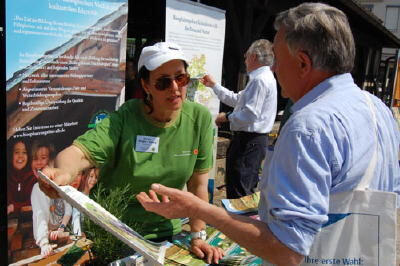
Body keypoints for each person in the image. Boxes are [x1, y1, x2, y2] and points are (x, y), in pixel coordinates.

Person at [136, 3, 400, 265]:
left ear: (302, 63)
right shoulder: (377, 108)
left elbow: (286, 251)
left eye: (277, 59)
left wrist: (196, 208)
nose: (273, 69)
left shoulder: (308, 127)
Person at [39, 42, 224, 263]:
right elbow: (79, 153)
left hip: (166, 231)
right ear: (146, 86)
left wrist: (198, 236)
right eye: (163, 82)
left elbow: (198, 186)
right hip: (115, 231)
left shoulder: (199, 119)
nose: (175, 88)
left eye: (181, 78)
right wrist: (63, 174)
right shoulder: (126, 118)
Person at [200, 39, 277, 199]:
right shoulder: (262, 78)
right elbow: (237, 99)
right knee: (242, 188)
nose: (245, 59)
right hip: (252, 142)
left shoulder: (260, 80)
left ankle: (239, 223)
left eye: (246, 55)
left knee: (240, 193)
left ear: (254, 56)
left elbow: (250, 114)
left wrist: (226, 117)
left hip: (249, 142)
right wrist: (214, 85)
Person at [31, 183, 73, 257]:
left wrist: (61, 228)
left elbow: (68, 210)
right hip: (46, 233)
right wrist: (44, 243)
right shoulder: (39, 188)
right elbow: (41, 215)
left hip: (62, 229)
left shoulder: (65, 185)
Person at [7, 139, 37, 215]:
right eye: (17, 152)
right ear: (11, 155)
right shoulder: (8, 177)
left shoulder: (33, 178)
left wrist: (14, 207)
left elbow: (33, 203)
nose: (20, 156)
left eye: (24, 152)